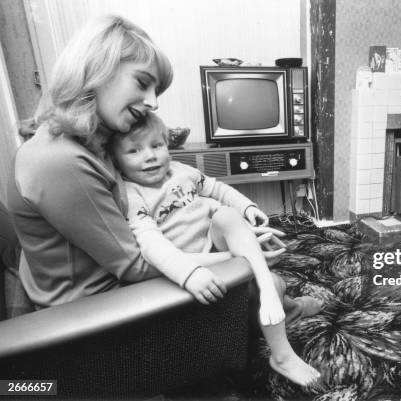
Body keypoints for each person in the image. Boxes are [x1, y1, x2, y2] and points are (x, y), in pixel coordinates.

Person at [6, 14, 320, 386]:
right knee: (254, 277)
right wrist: (240, 256)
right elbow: (135, 266)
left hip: (115, 280)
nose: (153, 103)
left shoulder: (86, 142)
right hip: (102, 318)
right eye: (142, 83)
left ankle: (277, 302)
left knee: (242, 248)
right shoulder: (60, 160)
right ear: (96, 69)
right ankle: (276, 334)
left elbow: (199, 194)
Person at [109, 112, 321, 385]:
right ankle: (282, 349)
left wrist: (247, 207)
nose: (149, 156)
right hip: (192, 265)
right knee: (272, 283)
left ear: (167, 146)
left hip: (214, 244)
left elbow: (218, 189)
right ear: (116, 160)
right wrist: (190, 272)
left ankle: (273, 292)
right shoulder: (132, 195)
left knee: (226, 216)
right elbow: (150, 244)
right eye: (133, 151)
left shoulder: (182, 170)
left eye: (156, 146)